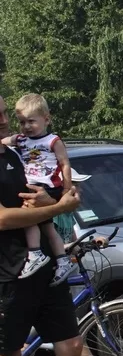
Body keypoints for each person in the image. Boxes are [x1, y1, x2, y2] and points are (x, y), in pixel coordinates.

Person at [0, 95, 116, 356]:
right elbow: (3, 218)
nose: (5, 121)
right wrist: (58, 207)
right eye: (0, 116)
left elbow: (49, 191)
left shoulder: (16, 152)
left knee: (70, 345)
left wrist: (58, 199)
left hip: (46, 268)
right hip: (8, 274)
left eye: (5, 113)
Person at [0, 94, 74, 285]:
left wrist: (64, 193)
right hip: (12, 277)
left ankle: (45, 255)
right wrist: (59, 206)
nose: (26, 126)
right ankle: (52, 257)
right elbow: (3, 220)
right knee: (41, 221)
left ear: (46, 119)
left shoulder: (49, 142)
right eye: (22, 122)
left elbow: (66, 167)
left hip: (48, 185)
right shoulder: (21, 142)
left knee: (35, 218)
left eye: (31, 121)